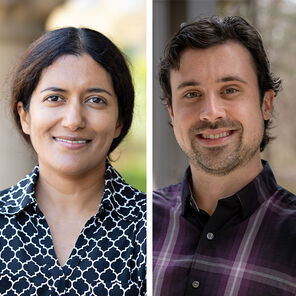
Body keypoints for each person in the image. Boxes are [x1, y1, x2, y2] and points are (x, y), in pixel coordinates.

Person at [153, 16, 296, 296]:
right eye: (192, 94)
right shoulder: (139, 224)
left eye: (230, 90)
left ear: (265, 104)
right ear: (171, 111)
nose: (211, 112)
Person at [0, 27, 146, 295]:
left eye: (95, 100)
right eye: (55, 98)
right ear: (25, 116)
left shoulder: (154, 226)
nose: (74, 120)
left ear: (119, 121)